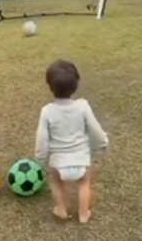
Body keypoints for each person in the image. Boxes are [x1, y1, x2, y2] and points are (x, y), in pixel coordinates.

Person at [35, 60, 109, 223]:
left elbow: (42, 138)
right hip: (81, 162)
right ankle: (83, 214)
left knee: (55, 182)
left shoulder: (47, 111)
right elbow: (94, 128)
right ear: (77, 84)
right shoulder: (83, 106)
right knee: (84, 183)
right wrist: (103, 141)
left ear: (50, 87)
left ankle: (61, 209)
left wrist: (40, 158)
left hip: (58, 163)